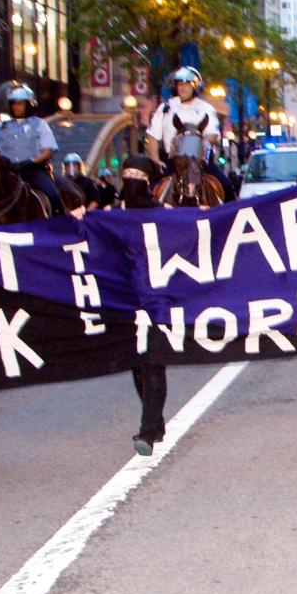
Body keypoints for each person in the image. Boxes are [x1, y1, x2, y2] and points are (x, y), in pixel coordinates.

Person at [117, 153, 172, 456]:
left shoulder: (165, 214)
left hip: (157, 304)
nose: (133, 183)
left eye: (138, 178)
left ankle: (147, 432)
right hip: (125, 303)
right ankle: (157, 421)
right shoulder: (112, 215)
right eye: (129, 177)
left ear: (149, 182)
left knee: (153, 364)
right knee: (137, 366)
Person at [146, 66, 231, 194]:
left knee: (226, 187)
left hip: (200, 160)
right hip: (173, 161)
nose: (182, 87)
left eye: (187, 84)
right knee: (151, 191)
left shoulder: (206, 108)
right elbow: (152, 137)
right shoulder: (165, 108)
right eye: (180, 84)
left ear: (195, 86)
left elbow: (213, 136)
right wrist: (156, 160)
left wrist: (192, 139)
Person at [0, 84, 64, 215]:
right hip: (7, 173)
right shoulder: (1, 127)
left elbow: (48, 150)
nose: (15, 107)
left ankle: (59, 225)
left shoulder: (39, 124)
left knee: (53, 194)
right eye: (13, 103)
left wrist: (31, 161)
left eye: (20, 103)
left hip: (33, 172)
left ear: (29, 105)